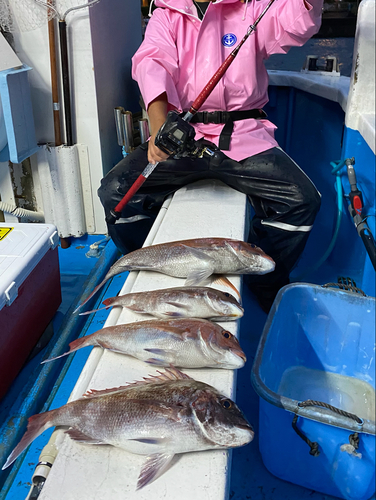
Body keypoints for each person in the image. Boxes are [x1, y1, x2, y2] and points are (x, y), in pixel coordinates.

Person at [98, 0, 323, 312]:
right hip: (182, 135)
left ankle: (263, 280)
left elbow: (295, 23)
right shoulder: (165, 14)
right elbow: (152, 63)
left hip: (243, 134)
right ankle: (151, 266)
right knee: (115, 192)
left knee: (301, 199)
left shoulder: (252, 7)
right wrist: (160, 126)